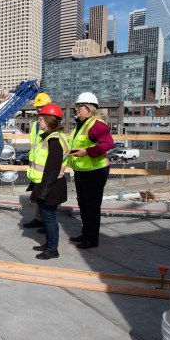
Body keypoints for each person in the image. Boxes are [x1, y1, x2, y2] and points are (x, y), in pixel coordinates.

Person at [67, 92, 114, 249]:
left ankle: (92, 239)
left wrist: (86, 151)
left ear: (88, 107)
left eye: (79, 106)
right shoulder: (81, 125)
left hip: (95, 172)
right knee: (83, 204)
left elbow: (108, 143)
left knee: (92, 206)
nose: (76, 109)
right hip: (82, 171)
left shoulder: (96, 124)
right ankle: (85, 233)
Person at [26, 104, 68, 260]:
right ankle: (49, 244)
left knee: (50, 218)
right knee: (47, 217)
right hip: (46, 185)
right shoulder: (49, 138)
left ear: (49, 120)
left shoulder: (54, 141)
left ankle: (52, 249)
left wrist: (43, 193)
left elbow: (52, 171)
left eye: (41, 118)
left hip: (51, 186)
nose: (39, 121)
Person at [23, 92, 52, 229]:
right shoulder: (34, 123)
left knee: (46, 195)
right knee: (38, 193)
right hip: (36, 163)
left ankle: (46, 223)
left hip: (47, 164)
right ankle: (38, 218)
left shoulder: (52, 123)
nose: (39, 109)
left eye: (42, 106)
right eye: (38, 107)